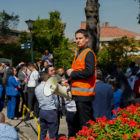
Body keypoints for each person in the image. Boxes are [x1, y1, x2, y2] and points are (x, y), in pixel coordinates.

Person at [67, 29, 97, 130]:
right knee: (80, 123)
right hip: (78, 95)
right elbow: (79, 72)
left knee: (85, 125)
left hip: (84, 95)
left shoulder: (88, 53)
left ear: (86, 39)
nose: (78, 40)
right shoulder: (79, 53)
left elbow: (89, 72)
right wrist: (69, 80)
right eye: (76, 38)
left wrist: (72, 73)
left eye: (80, 38)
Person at [35, 72, 58, 140]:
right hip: (51, 111)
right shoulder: (50, 87)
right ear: (47, 78)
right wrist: (56, 108)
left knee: (43, 131)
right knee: (52, 133)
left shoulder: (37, 88)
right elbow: (56, 100)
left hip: (42, 110)